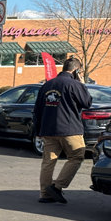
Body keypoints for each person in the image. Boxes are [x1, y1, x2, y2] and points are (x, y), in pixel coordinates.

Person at [32, 56, 92, 203]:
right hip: (70, 130)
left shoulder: (47, 85)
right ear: (76, 70)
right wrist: (82, 84)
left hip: (48, 130)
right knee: (77, 156)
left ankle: (45, 194)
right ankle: (57, 187)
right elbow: (87, 102)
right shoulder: (74, 85)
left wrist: (38, 130)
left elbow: (37, 110)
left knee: (48, 161)